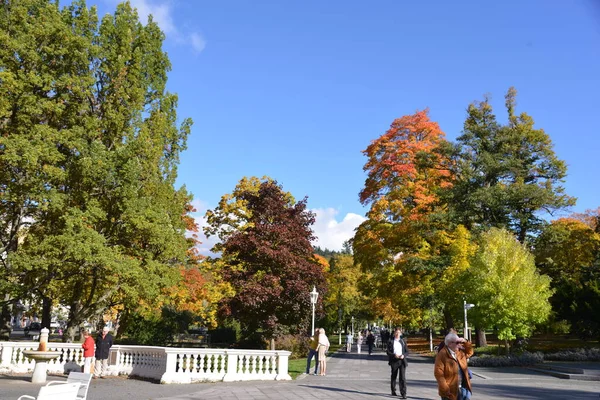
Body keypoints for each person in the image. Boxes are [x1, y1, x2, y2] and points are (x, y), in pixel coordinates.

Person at [434, 332, 474, 400]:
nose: (459, 344)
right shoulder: (442, 354)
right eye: (457, 342)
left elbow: (470, 352)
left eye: (459, 342)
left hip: (463, 388)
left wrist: (465, 341)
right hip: (450, 390)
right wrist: (445, 389)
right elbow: (438, 373)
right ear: (449, 344)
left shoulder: (460, 351)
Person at [387, 328, 408, 399]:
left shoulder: (403, 341)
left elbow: (407, 352)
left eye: (399, 333)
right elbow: (388, 352)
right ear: (394, 333)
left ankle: (403, 393)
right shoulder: (391, 341)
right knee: (394, 376)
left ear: (401, 334)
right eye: (396, 332)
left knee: (402, 377)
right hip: (394, 361)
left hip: (402, 361)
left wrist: (403, 355)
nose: (397, 334)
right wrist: (394, 355)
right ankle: (393, 390)